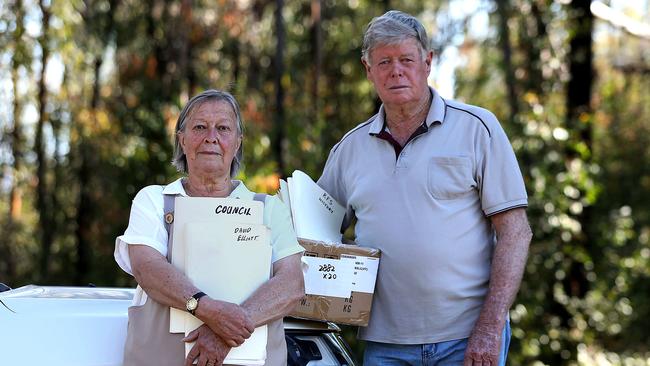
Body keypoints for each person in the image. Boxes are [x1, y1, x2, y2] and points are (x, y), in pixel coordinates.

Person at [317, 10, 533, 366]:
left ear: (428, 62)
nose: (396, 70)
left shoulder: (478, 128)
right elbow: (313, 234)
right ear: (368, 70)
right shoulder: (348, 150)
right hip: (384, 343)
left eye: (406, 59)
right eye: (384, 61)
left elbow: (515, 232)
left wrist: (492, 324)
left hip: (467, 337)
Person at [114, 89, 305, 366]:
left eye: (223, 128)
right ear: (182, 140)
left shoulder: (269, 209)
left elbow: (292, 285)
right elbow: (147, 268)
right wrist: (208, 310)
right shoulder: (154, 200)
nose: (211, 137)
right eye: (200, 127)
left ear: (238, 143)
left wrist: (227, 330)